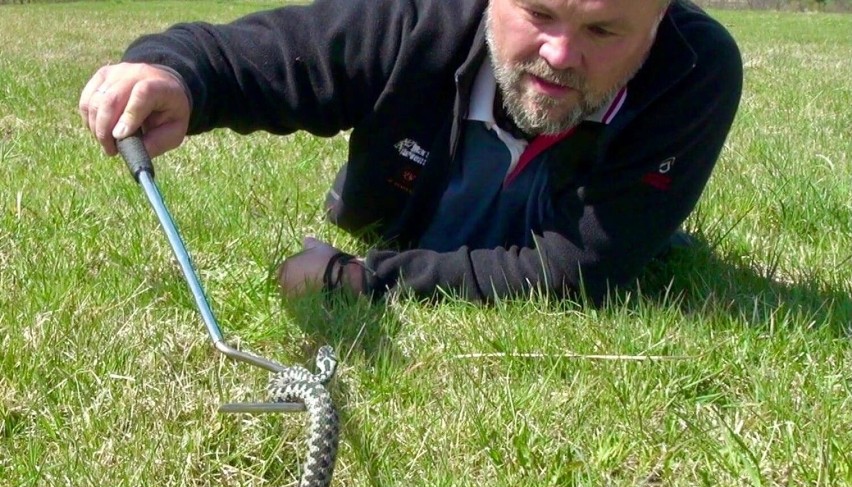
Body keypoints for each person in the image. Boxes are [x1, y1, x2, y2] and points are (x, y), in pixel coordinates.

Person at [79, 0, 742, 306]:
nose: (560, 55)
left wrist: (357, 277)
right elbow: (280, 55)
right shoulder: (421, 20)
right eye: (538, 14)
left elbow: (579, 269)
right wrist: (174, 74)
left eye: (603, 29)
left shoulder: (693, 71)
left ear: (659, 20)